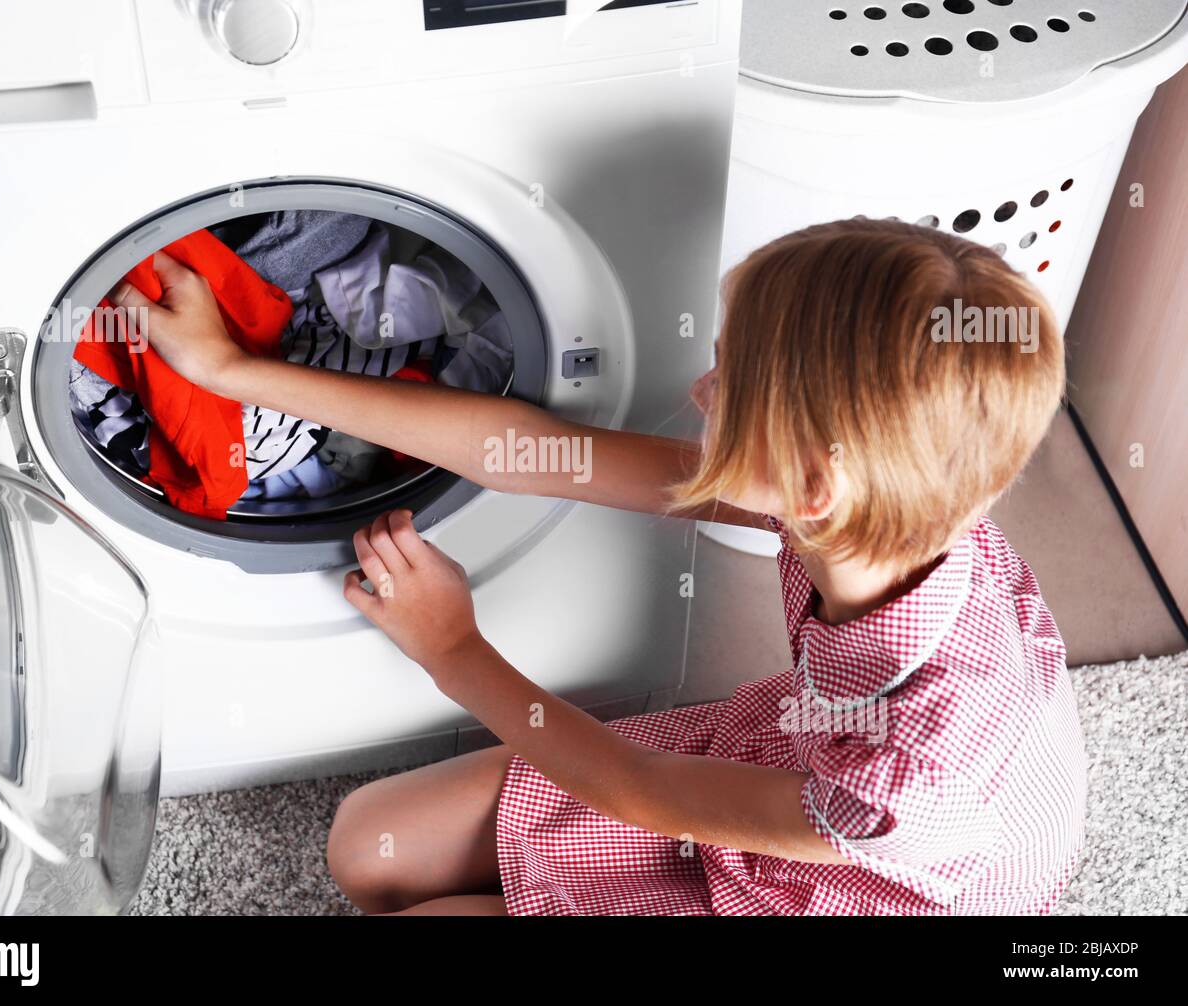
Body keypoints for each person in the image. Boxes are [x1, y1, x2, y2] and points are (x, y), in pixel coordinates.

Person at [114, 218, 1084, 916]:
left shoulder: (908, 774)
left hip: (839, 881)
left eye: (727, 379)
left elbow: (635, 784)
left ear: (813, 484)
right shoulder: (899, 506)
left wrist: (450, 646)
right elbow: (536, 452)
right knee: (370, 848)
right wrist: (234, 374)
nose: (700, 389)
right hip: (793, 779)